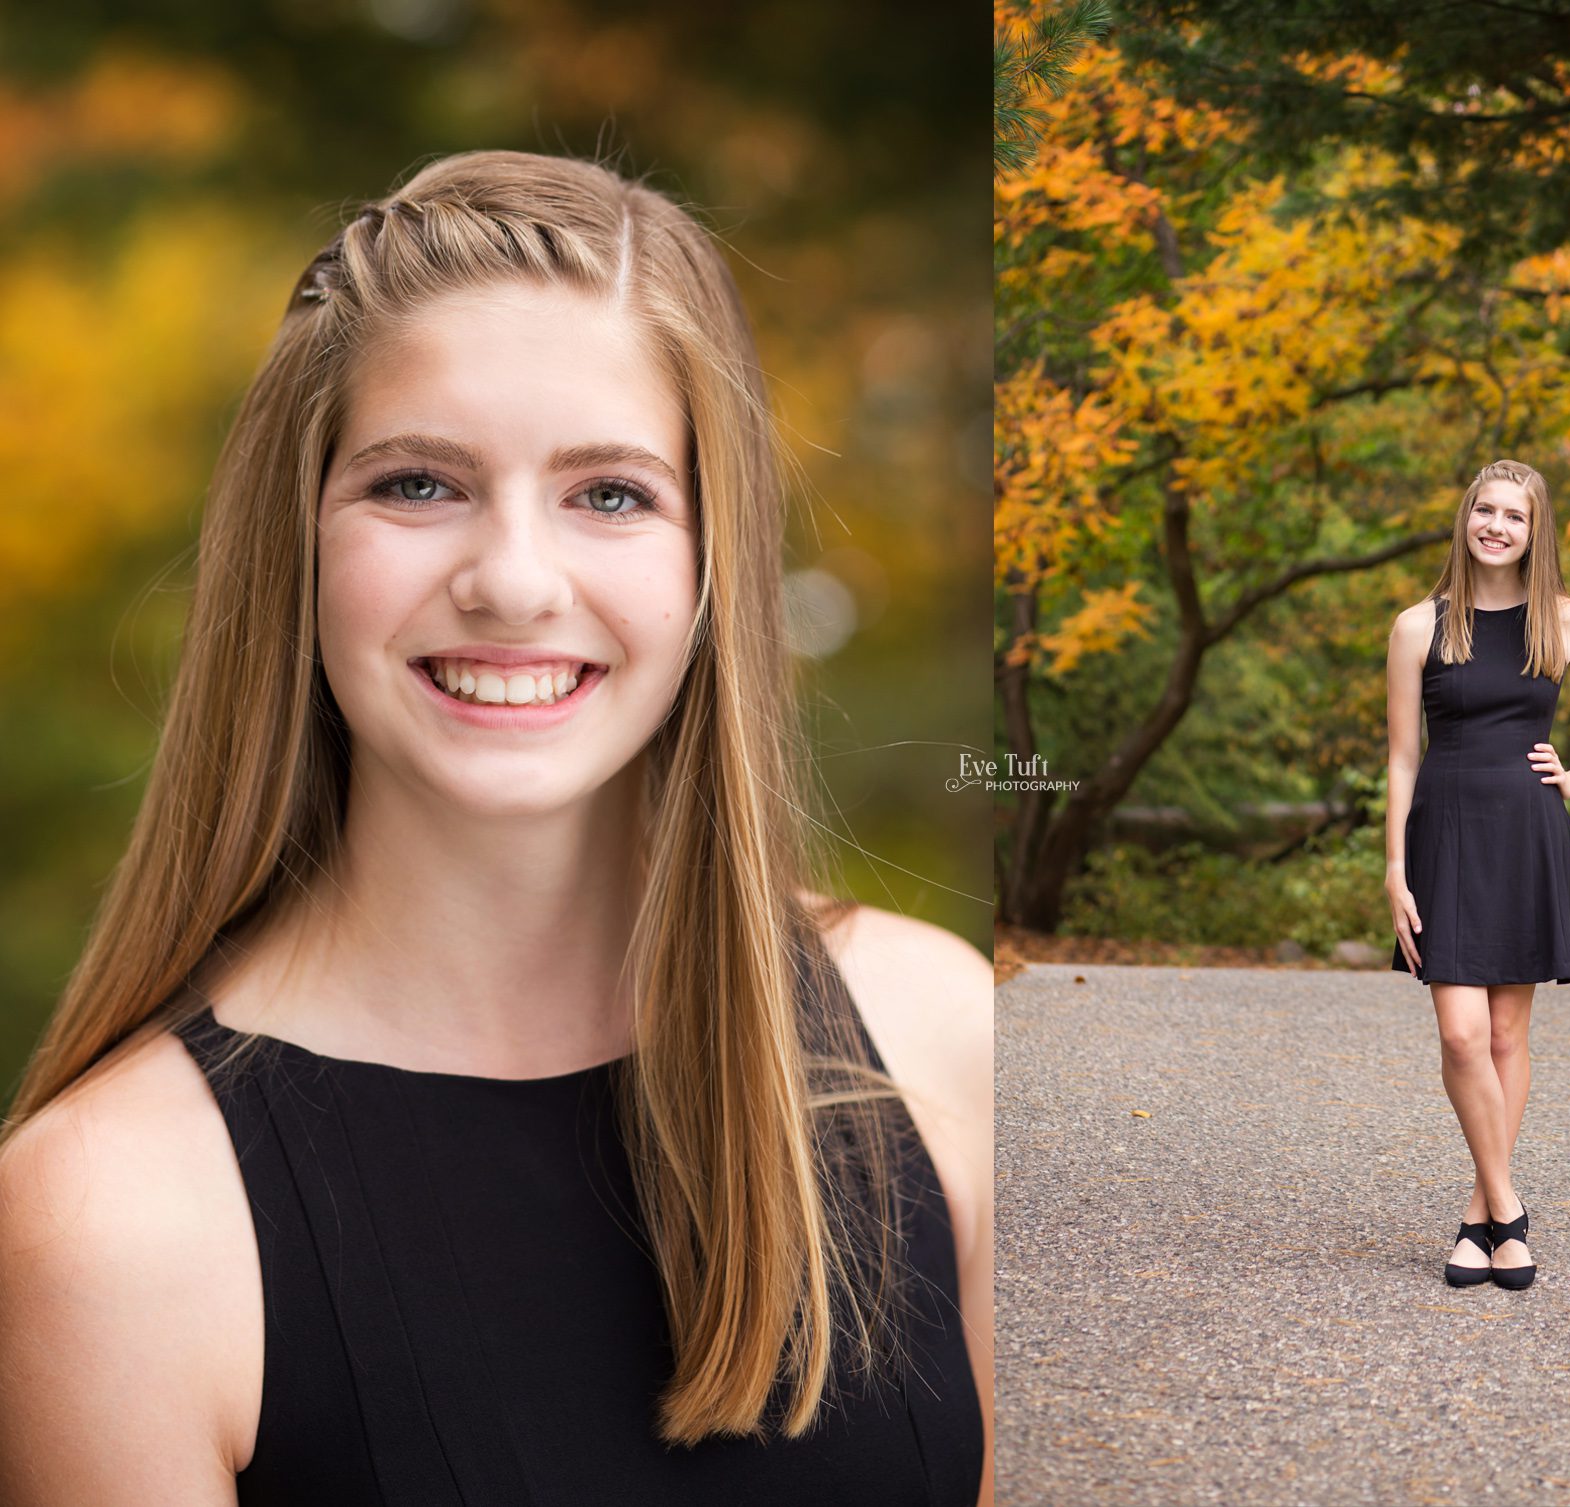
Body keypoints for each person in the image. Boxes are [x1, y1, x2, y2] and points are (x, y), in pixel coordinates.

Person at [0, 150, 992, 1505]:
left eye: (612, 493)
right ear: (298, 538)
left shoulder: (935, 1034)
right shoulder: (108, 1222)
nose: (515, 579)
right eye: (418, 483)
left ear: (713, 561)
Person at [1382, 459, 1570, 1291]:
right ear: (1466, 518)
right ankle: (1508, 1213)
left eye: (1515, 514)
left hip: (1526, 836)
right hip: (1444, 836)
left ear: (1534, 530)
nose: (1498, 525)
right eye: (1486, 510)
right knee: (1461, 1034)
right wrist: (1395, 865)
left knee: (1507, 1035)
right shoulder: (1418, 626)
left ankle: (1479, 1219)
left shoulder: (1566, 621)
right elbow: (1403, 756)